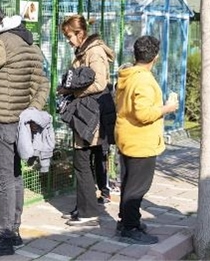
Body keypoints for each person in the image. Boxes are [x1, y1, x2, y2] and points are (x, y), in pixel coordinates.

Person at [0, 3, 49, 256]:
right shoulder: (30, 45)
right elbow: (42, 85)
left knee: (3, 180)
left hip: (0, 121)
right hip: (19, 123)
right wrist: (30, 112)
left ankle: (4, 235)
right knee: (14, 177)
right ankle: (13, 231)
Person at [114, 36, 178, 245]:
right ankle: (130, 228)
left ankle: (127, 221)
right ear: (156, 57)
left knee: (129, 183)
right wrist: (168, 108)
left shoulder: (129, 74)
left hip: (127, 136)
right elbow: (143, 114)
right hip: (140, 141)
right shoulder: (143, 79)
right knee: (137, 187)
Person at [58, 14, 116, 226]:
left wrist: (72, 92)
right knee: (83, 162)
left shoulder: (94, 51)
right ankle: (83, 206)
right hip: (86, 114)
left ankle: (89, 212)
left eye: (69, 36)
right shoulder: (85, 50)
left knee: (82, 162)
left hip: (92, 115)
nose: (68, 41)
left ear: (80, 33)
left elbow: (99, 83)